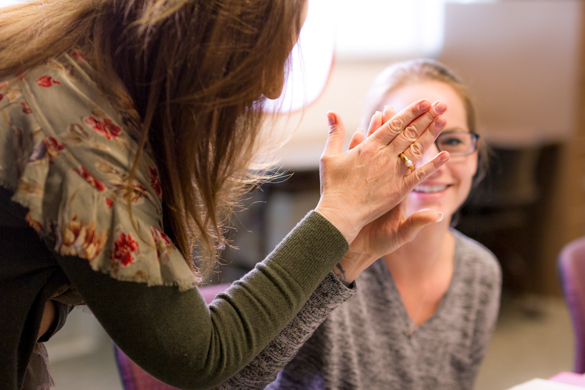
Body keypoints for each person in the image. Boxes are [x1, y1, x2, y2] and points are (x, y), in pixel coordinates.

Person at [0, 2, 451, 390]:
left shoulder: (72, 63)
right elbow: (204, 359)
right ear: (207, 34)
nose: (274, 85)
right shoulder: (80, 136)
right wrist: (337, 216)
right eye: (267, 50)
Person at [213, 59, 502, 390]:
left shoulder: (481, 273)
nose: (429, 162)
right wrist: (343, 260)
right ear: (367, 154)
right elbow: (227, 383)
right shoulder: (321, 267)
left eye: (451, 142)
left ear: (476, 156)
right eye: (409, 142)